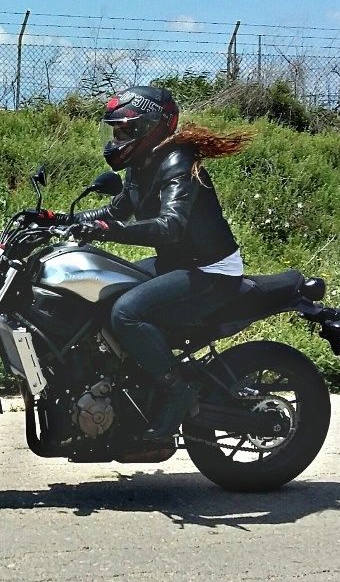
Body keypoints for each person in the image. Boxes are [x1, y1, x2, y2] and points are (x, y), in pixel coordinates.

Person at [68, 85, 253, 441]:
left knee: (126, 312)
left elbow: (171, 226)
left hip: (210, 270)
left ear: (151, 128)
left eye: (125, 130)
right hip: (176, 263)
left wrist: (106, 231)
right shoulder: (142, 165)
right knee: (106, 288)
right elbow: (115, 211)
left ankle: (176, 389)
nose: (117, 139)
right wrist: (59, 220)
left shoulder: (178, 162)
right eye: (115, 131)